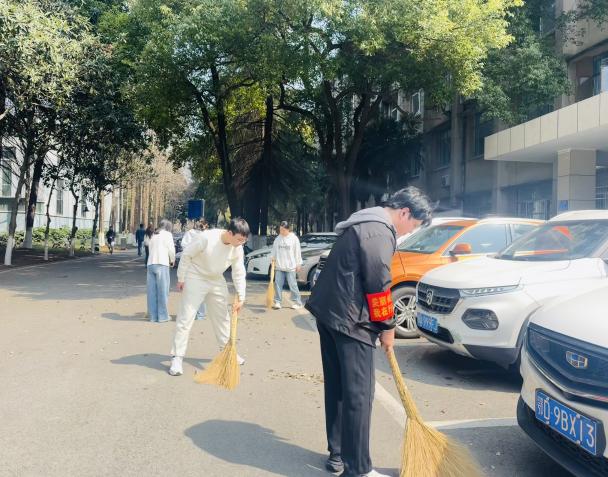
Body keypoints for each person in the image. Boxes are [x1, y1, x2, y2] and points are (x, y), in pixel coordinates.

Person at [306, 187, 433, 477]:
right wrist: (387, 327)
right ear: (404, 213)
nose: (408, 232)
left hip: (330, 314)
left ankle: (338, 455)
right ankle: (359, 469)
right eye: (413, 225)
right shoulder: (379, 231)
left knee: (339, 388)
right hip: (351, 322)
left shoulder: (363, 222)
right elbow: (378, 285)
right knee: (360, 395)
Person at [169, 217, 249, 376]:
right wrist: (181, 277)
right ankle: (177, 357)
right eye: (239, 239)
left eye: (244, 240)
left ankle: (228, 353)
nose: (241, 243)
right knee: (186, 317)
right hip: (196, 276)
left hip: (216, 279)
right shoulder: (207, 237)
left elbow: (239, 271)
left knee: (223, 318)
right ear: (230, 233)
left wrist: (241, 296)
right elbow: (187, 255)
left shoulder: (238, 248)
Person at [146, 220, 176, 323]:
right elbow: (171, 249)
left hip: (151, 264)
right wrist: (172, 260)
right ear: (168, 227)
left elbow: (150, 248)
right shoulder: (168, 235)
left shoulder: (154, 234)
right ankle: (163, 316)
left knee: (151, 292)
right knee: (163, 291)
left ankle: (153, 316)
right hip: (162, 263)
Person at [180, 219, 209, 320]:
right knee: (201, 290)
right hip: (203, 265)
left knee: (191, 291)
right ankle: (201, 314)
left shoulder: (190, 233)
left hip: (191, 265)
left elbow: (184, 247)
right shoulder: (207, 235)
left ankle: (192, 313)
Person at [270, 221, 303, 310]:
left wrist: (298, 263)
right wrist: (272, 258)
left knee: (293, 285)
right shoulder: (278, 239)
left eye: (283, 230)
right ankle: (277, 302)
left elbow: (297, 252)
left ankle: (298, 302)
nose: (281, 232)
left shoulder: (294, 239)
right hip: (279, 266)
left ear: (288, 229)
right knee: (278, 284)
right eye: (280, 230)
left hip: (290, 267)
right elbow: (274, 250)